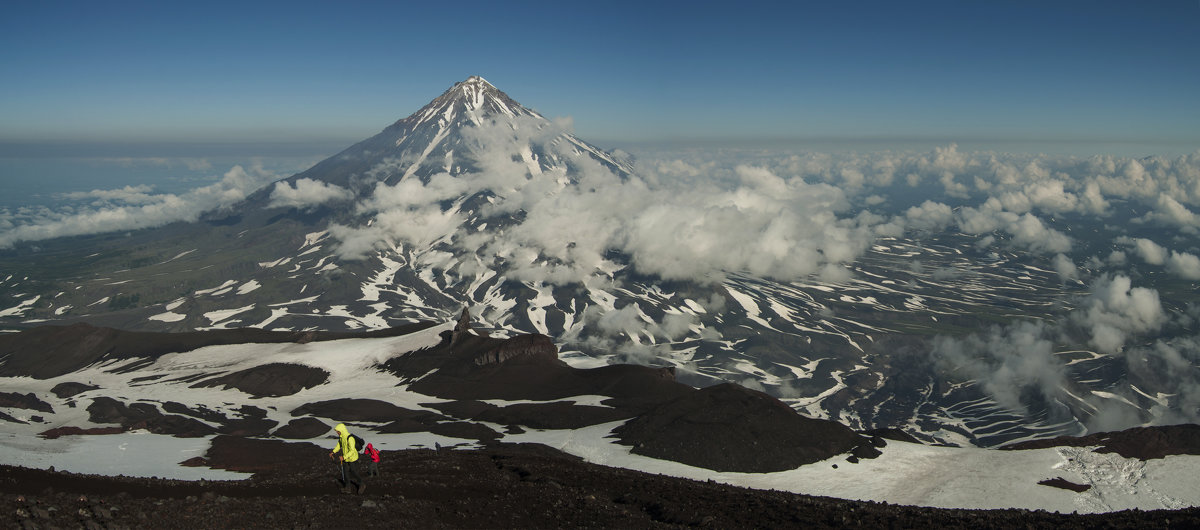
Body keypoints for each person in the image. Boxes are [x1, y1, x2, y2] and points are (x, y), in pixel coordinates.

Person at [329, 423, 366, 494]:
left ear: (341, 430)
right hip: (345, 458)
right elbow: (339, 445)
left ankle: (362, 484)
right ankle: (347, 488)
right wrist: (333, 452)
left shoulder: (350, 438)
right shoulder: (341, 437)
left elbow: (352, 451)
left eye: (338, 431)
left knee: (353, 471)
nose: (337, 432)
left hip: (352, 458)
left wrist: (343, 457)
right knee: (345, 472)